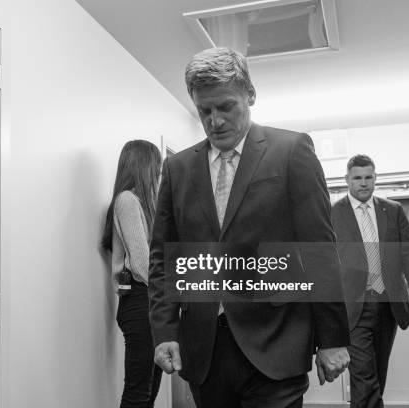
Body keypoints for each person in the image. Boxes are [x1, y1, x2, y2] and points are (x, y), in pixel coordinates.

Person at [147, 47, 351, 408]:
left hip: (277, 341)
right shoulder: (178, 168)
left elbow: (319, 250)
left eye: (226, 107)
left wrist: (332, 338)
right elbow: (164, 258)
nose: (215, 121)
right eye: (204, 111)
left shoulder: (290, 151)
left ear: (250, 95)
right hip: (205, 348)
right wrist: (165, 331)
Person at [331, 154, 409, 408]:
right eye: (357, 178)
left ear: (375, 178)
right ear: (347, 180)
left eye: (369, 177)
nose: (364, 183)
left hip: (388, 304)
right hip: (354, 306)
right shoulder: (332, 213)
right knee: (364, 377)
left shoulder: (393, 210)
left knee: (377, 373)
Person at [102, 140, 163, 408]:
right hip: (139, 303)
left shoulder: (142, 203)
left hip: (149, 303)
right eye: (157, 168)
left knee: (149, 392)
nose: (158, 175)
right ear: (144, 167)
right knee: (139, 393)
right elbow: (141, 263)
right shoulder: (128, 200)